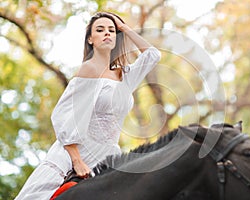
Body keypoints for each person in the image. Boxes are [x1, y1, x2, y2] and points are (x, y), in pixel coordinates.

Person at [15, 11, 161, 200]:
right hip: (76, 155)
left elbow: (153, 55)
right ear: (91, 39)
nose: (107, 33)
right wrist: (77, 161)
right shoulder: (89, 69)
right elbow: (62, 116)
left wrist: (124, 28)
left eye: (111, 30)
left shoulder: (124, 76)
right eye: (100, 30)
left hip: (106, 157)